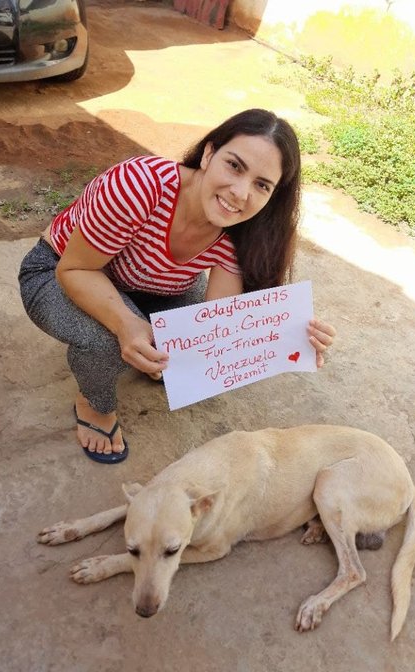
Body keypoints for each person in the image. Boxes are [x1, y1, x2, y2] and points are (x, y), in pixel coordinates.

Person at [18, 108, 336, 464]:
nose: (240, 193)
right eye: (234, 165)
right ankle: (95, 404)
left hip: (159, 287)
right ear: (208, 153)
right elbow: (73, 269)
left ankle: (145, 342)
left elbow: (222, 323)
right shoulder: (138, 186)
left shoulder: (243, 231)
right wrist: (127, 323)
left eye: (262, 185)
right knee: (108, 340)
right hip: (60, 270)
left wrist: (289, 335)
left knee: (186, 343)